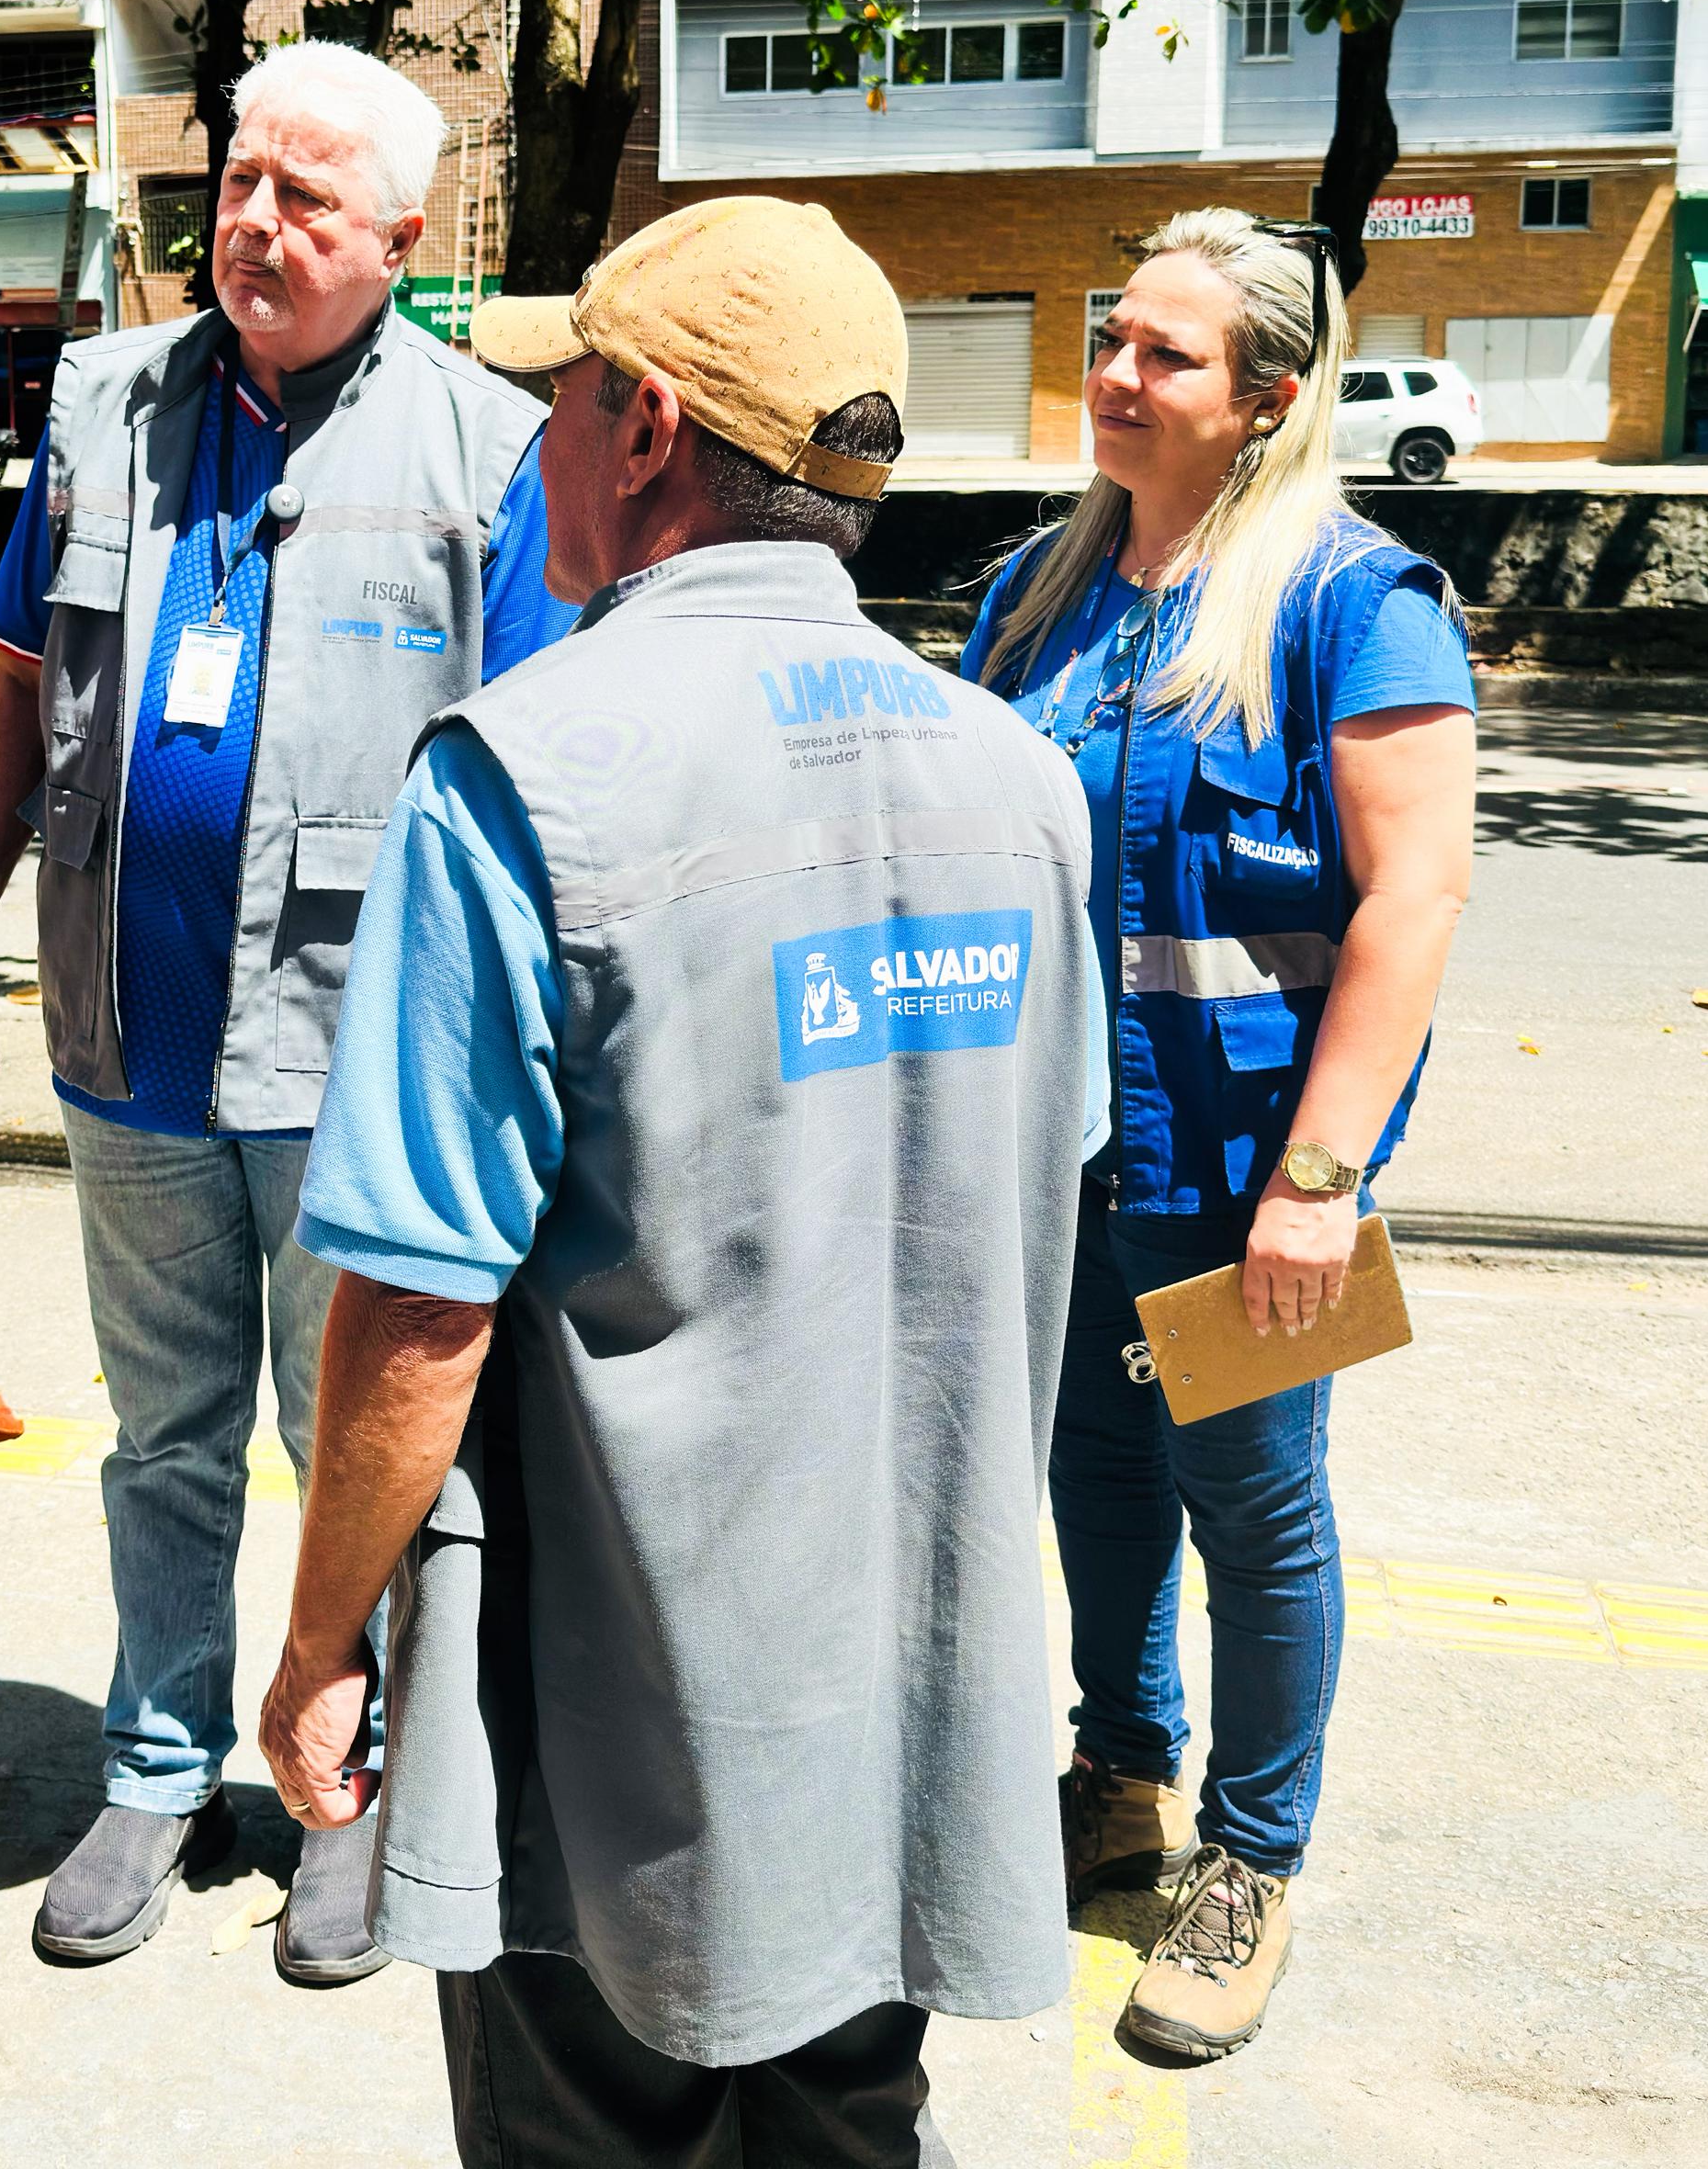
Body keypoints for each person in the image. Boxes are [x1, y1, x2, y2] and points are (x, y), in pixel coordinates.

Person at [257, 198, 1107, 2165]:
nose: (534, 436)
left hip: (608, 1707)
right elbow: (1025, 1195)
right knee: (844, 2126)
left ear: (643, 429)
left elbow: (415, 1307)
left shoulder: (518, 775)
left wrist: (317, 1651)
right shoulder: (1020, 786)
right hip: (907, 1691)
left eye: (558, 395)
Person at [0, 40, 575, 1980]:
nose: (258, 224)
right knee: (162, 1433)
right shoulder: (107, 403)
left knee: (350, 1438)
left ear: (403, 233)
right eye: (238, 185)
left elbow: (538, 782)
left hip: (353, 1056)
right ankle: (155, 1763)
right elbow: (19, 690)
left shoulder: (487, 450)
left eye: (306, 197)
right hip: (129, 1035)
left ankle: (341, 1795)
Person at [957, 208, 1476, 2063]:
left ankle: (1248, 1866)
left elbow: (1411, 899)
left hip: (1257, 1168)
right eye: (1111, 340)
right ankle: (1121, 1773)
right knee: (1091, 1474)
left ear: (1260, 400)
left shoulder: (1356, 598)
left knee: (1255, 1514)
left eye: (1162, 355)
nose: (1113, 374)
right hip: (1064, 1155)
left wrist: (1325, 1183)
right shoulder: (1031, 590)